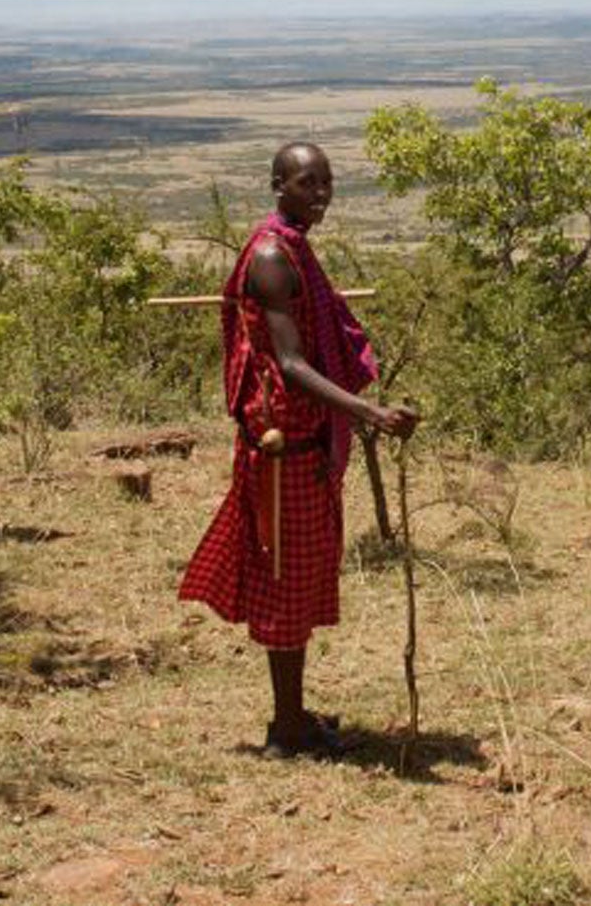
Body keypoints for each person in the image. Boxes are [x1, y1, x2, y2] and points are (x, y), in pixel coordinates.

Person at [178, 142, 420, 758]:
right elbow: (289, 362)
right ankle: (288, 730)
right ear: (278, 185)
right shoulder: (270, 256)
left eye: (328, 183)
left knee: (300, 580)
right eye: (308, 183)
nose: (321, 194)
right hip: (283, 452)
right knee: (287, 583)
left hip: (302, 445)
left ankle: (293, 715)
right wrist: (369, 412)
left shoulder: (292, 247)